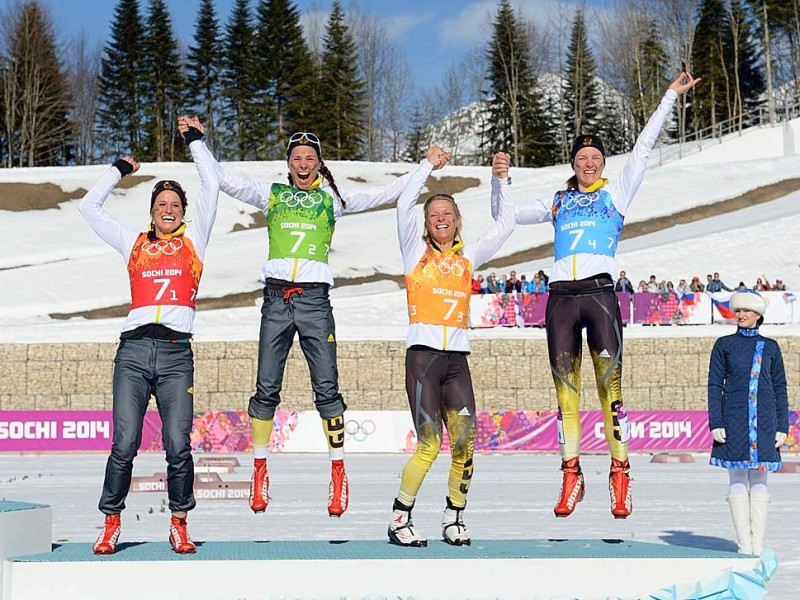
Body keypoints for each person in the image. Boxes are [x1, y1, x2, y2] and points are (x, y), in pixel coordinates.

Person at [182, 118, 446, 518]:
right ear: (287, 164)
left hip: (315, 302)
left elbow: (388, 193)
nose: (303, 164)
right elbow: (220, 177)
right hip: (275, 299)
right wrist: (197, 142)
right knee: (266, 387)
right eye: (296, 158)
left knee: (327, 388)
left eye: (310, 158)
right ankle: (259, 469)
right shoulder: (270, 194)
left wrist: (424, 166)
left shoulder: (332, 199)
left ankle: (338, 471)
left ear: (320, 164)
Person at [491, 71, 700, 519]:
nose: (589, 163)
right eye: (582, 157)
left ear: (603, 163)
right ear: (573, 162)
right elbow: (505, 218)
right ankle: (571, 476)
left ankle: (620, 475)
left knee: (611, 390)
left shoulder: (617, 194)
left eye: (595, 157)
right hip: (561, 298)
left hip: (600, 295)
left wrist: (668, 97)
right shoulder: (557, 201)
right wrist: (501, 180)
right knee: (567, 394)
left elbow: (643, 149)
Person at [79, 121, 219, 555]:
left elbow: (211, 183)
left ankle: (178, 521)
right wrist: (118, 169)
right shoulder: (133, 242)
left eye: (176, 203)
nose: (169, 209)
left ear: (183, 211)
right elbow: (88, 207)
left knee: (178, 445)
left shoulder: (195, 240)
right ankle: (110, 520)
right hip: (134, 352)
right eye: (162, 203)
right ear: (153, 210)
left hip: (177, 353)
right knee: (125, 443)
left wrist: (194, 141)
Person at [387, 150, 515, 548]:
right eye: (433, 215)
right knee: (428, 445)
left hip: (457, 360)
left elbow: (506, 224)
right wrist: (426, 166)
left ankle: (454, 516)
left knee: (464, 442)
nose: (440, 219)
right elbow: (404, 200)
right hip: (423, 358)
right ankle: (400, 518)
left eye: (447, 213)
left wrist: (501, 180)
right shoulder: (414, 253)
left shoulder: (468, 256)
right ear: (425, 225)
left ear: (458, 221)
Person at [708, 290, 788, 555]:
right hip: (734, 419)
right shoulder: (724, 345)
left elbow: (780, 388)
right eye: (738, 311)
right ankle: (744, 545)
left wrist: (782, 426)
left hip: (765, 421)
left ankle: (757, 545)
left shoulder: (771, 347)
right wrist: (716, 421)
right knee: (737, 479)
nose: (740, 315)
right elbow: (714, 385)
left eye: (746, 311)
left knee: (761, 480)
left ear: (758, 315)